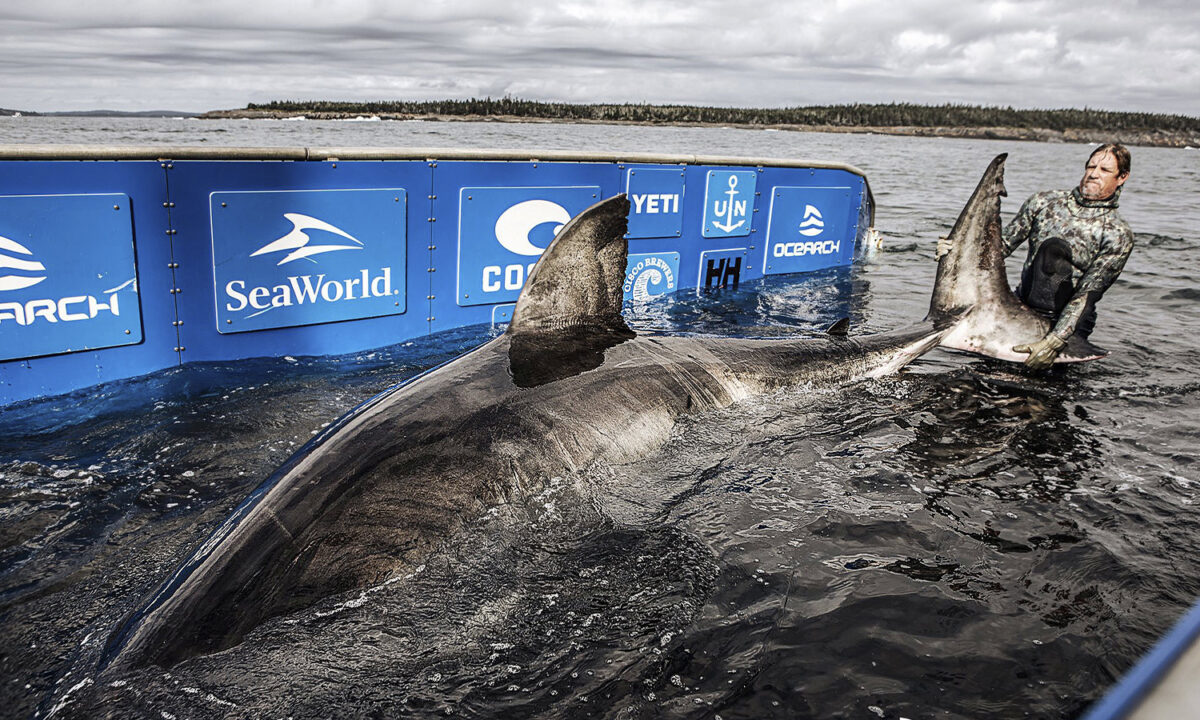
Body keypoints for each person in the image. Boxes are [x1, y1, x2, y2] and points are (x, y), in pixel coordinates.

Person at [1004, 144, 1134, 369]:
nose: (1093, 173)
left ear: (1122, 177)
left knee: (1043, 397)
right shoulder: (1044, 203)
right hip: (1021, 308)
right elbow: (1001, 246)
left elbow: (1086, 295)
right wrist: (956, 250)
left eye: (1104, 170)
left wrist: (1055, 342)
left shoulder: (1117, 234)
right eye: (1091, 166)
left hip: (1069, 325)